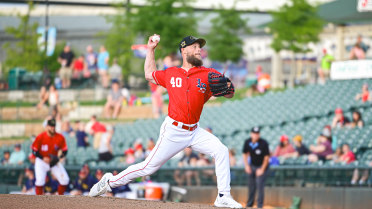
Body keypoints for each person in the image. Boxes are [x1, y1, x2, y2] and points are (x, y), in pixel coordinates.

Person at [89, 35, 242, 208]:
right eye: (195, 46)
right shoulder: (172, 73)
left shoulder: (208, 74)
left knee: (221, 150)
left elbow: (230, 92)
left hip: (194, 131)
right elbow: (149, 74)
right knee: (148, 167)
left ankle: (223, 196)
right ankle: (109, 182)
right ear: (184, 50)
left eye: (200, 47)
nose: (199, 50)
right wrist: (151, 50)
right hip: (174, 131)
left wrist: (228, 88)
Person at [31, 118, 69, 195]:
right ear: (47, 127)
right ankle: (38, 201)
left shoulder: (60, 137)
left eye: (54, 126)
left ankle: (59, 198)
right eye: (51, 126)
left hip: (53, 161)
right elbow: (34, 150)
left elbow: (65, 150)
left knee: (65, 180)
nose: (52, 128)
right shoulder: (40, 137)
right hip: (41, 161)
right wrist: (42, 158)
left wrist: (58, 158)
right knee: (40, 181)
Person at [242, 127, 270, 209]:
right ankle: (250, 204)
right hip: (252, 165)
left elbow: (266, 158)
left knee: (259, 185)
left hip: (261, 166)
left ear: (259, 134)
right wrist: (246, 165)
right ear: (251, 134)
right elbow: (244, 154)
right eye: (254, 133)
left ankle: (259, 206)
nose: (255, 135)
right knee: (251, 186)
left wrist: (262, 169)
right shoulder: (247, 142)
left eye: (257, 133)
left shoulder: (264, 143)